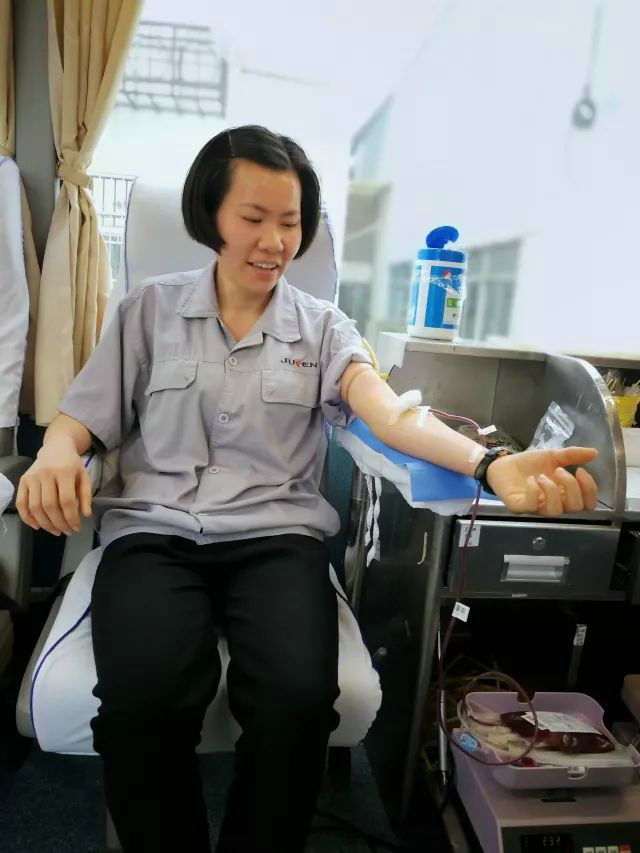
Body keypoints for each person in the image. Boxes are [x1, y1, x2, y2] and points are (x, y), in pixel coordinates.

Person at [16, 125, 598, 853]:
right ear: (210, 215)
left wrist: (489, 464)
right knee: (143, 701)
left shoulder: (323, 329)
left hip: (276, 541)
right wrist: (55, 454)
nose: (275, 241)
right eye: (253, 217)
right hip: (154, 535)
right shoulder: (146, 311)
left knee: (296, 700)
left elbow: (390, 413)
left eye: (290, 223)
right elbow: (81, 418)